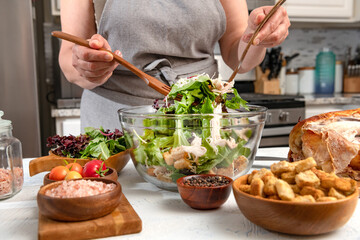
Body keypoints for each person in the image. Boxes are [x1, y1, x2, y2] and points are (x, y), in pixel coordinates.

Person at [59, 0, 290, 132]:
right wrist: (88, 65)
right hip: (116, 125)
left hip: (200, 120)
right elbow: (69, 56)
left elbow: (235, 54)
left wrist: (256, 36)